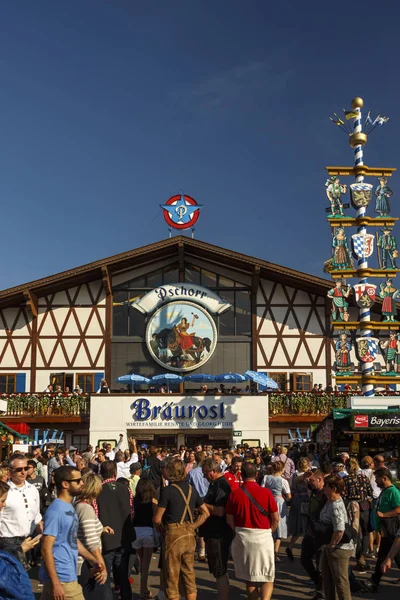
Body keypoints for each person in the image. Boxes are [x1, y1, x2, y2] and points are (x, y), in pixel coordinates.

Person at [39, 466, 103, 600]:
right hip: (62, 576)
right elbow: (46, 548)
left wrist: (94, 560)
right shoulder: (56, 511)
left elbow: (72, 540)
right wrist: (56, 583)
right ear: (65, 484)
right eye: (78, 480)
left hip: (65, 574)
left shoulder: (69, 506)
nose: (82, 483)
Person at [154, 458, 209, 600]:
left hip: (173, 534)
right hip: (189, 535)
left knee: (171, 576)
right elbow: (205, 513)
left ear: (170, 472)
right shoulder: (192, 489)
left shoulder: (168, 491)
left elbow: (157, 518)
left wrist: (160, 528)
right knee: (189, 575)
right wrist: (193, 526)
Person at [226, 462, 279, 600]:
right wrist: (269, 531)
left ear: (241, 476)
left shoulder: (235, 494)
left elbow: (229, 520)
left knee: (250, 577)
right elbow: (276, 518)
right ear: (256, 475)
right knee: (267, 575)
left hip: (243, 537)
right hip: (263, 536)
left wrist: (238, 530)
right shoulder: (266, 492)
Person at [97, 460, 134, 600]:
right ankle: (126, 596)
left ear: (101, 474)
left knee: (104, 573)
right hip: (123, 536)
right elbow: (132, 512)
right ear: (115, 472)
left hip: (106, 536)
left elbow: (95, 513)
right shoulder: (126, 489)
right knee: (122, 571)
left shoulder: (98, 489)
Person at [75, 472, 114, 599]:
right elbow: (91, 541)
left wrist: (101, 528)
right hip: (88, 563)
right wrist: (101, 565)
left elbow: (84, 529)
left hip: (85, 562)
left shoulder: (78, 505)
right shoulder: (86, 509)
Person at [201, 458, 233, 600]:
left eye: (205, 473)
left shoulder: (221, 485)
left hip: (219, 533)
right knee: (218, 569)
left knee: (220, 569)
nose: (204, 476)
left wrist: (201, 504)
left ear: (213, 471)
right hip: (213, 533)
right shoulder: (214, 484)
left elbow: (220, 511)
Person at [0, 454, 43, 560]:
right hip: (8, 542)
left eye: (26, 468)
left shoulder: (33, 489)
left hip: (28, 540)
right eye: (19, 469)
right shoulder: (4, 491)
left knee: (24, 575)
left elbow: (37, 517)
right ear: (10, 471)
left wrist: (44, 535)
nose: (24, 472)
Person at [318, 475, 353, 600]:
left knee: (341, 583)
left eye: (326, 485)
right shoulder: (329, 501)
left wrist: (331, 545)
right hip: (329, 546)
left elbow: (339, 530)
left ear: (333, 488)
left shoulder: (336, 505)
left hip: (338, 548)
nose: (323, 487)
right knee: (327, 580)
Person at [370, 467, 400, 590]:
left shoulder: (393, 492)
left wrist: (384, 515)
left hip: (391, 530)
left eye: (377, 478)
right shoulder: (384, 491)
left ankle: (374, 582)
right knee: (394, 556)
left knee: (383, 556)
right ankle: (374, 582)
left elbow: (399, 509)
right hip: (386, 530)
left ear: (385, 478)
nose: (375, 481)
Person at [342, 457, 373, 573]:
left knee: (355, 532)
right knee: (365, 532)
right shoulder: (364, 478)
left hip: (352, 507)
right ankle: (362, 557)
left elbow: (344, 495)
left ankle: (358, 557)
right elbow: (370, 492)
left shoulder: (345, 479)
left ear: (348, 467)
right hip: (364, 506)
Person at [299, 469, 326, 600]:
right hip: (310, 531)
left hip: (321, 533)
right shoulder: (313, 490)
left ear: (320, 480)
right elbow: (303, 481)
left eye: (312, 481)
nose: (310, 483)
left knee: (321, 563)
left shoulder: (326, 493)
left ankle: (321, 590)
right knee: (304, 559)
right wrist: (307, 477)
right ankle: (318, 584)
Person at [132, 479, 158, 600]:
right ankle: (144, 591)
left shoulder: (134, 500)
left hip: (136, 532)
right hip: (148, 532)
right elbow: (155, 518)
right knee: (146, 566)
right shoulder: (153, 501)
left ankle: (144, 590)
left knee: (141, 562)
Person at [262, 461, 291, 559]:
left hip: (267, 501)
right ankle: (275, 552)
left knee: (268, 523)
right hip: (278, 502)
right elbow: (288, 496)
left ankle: (267, 550)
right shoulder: (283, 481)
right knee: (278, 525)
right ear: (282, 469)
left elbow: (262, 490)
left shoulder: (266, 478)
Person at [286, 457, 311, 561]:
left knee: (298, 525)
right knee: (306, 525)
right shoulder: (308, 475)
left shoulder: (294, 475)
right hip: (305, 500)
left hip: (296, 499)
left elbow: (291, 488)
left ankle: (291, 546)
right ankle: (306, 550)